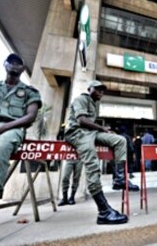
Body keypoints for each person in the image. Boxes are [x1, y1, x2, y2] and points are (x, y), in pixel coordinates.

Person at [64, 79, 138, 225]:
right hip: (77, 133)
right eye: (98, 89)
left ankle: (120, 179)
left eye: (103, 90)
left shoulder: (93, 104)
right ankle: (103, 212)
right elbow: (81, 120)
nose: (101, 93)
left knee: (120, 140)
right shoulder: (81, 99)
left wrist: (100, 130)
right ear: (90, 89)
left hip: (90, 133)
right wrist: (101, 128)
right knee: (93, 165)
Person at [0, 53, 42, 199]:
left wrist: (4, 127)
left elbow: (30, 116)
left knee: (0, 147)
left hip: (13, 128)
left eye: (18, 63)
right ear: (5, 64)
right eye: (11, 62)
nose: (14, 65)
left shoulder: (30, 92)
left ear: (23, 69)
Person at [57, 123, 83, 206]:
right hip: (70, 158)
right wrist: (62, 131)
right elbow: (59, 140)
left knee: (76, 178)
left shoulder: (82, 133)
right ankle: (65, 198)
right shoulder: (68, 133)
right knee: (65, 177)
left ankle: (72, 197)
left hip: (79, 158)